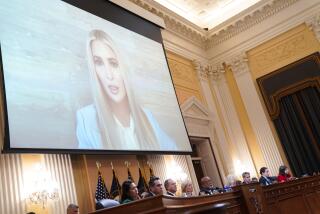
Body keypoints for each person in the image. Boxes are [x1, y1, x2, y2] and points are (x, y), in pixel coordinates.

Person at [76, 29, 176, 151]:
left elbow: (173, 149)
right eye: (99, 63)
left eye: (114, 63)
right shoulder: (86, 118)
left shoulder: (146, 116)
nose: (109, 75)